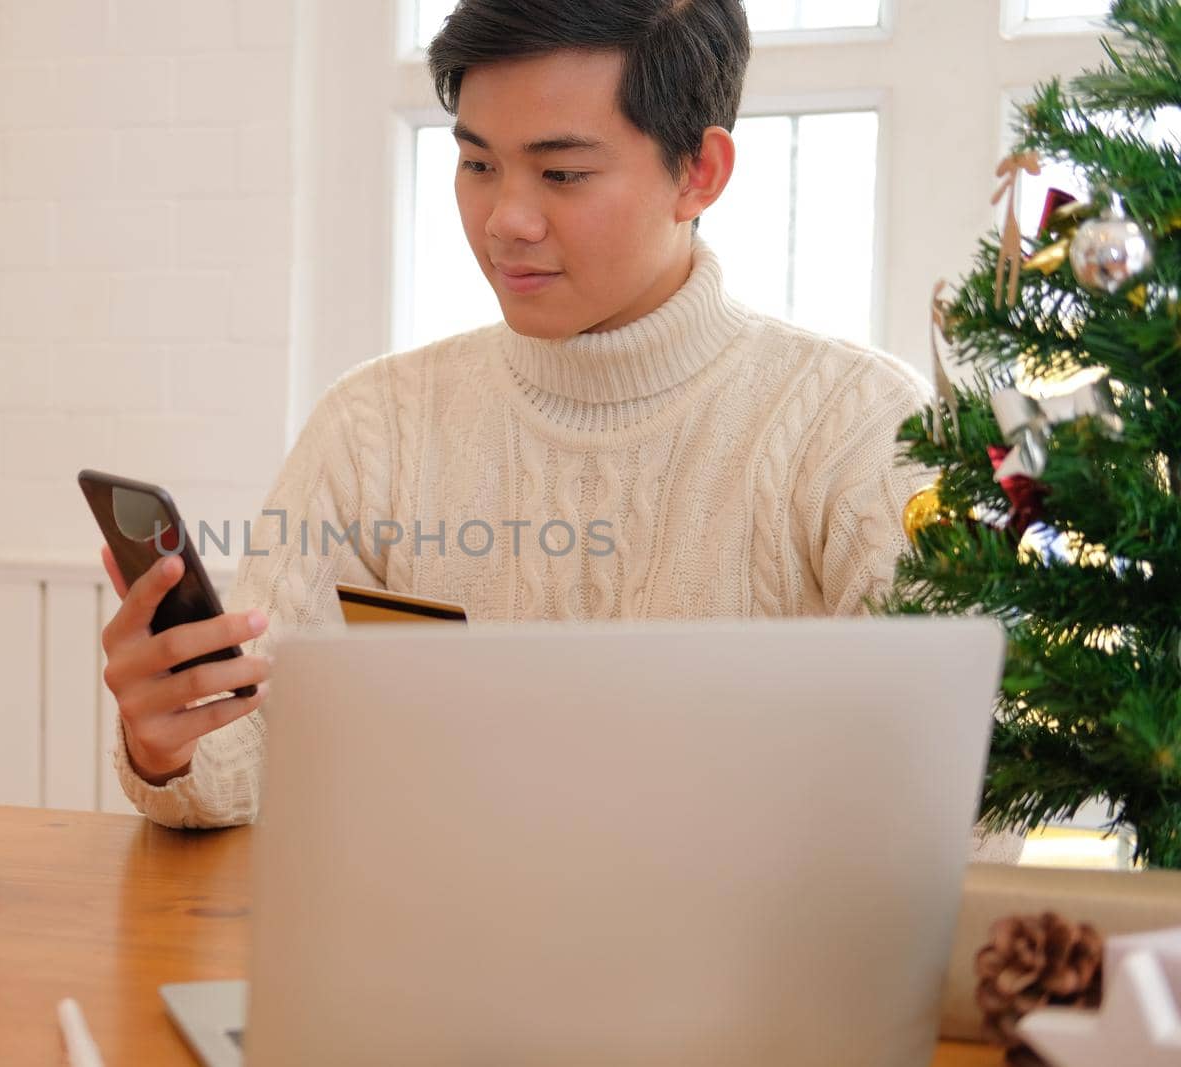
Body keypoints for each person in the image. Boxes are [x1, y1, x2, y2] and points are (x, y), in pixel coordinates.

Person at [98, 0, 1015, 858]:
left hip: (750, 998)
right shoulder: (375, 425)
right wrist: (169, 740)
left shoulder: (857, 426)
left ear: (700, 172)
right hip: (437, 981)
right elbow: (248, 753)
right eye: (477, 163)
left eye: (562, 173)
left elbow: (973, 797)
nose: (506, 220)